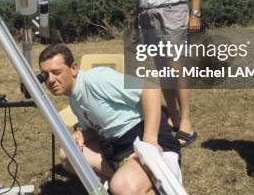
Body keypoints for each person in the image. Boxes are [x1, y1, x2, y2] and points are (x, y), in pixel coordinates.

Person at [38, 44, 181, 195]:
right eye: (46, 75)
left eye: (56, 72)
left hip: (147, 138)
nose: (51, 80)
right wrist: (82, 135)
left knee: (121, 187)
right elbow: (98, 129)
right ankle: (133, 181)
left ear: (73, 68)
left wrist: (149, 143)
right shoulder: (74, 99)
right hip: (116, 148)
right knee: (68, 155)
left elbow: (149, 88)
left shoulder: (96, 79)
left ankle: (146, 181)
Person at [133, 0, 204, 147]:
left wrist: (195, 14)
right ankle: (172, 117)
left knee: (176, 65)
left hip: (173, 12)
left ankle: (186, 123)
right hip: (148, 17)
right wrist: (137, 25)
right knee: (162, 68)